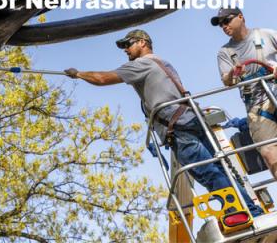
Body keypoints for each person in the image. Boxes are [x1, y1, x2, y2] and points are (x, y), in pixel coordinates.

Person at [64, 29, 263, 217]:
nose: (125, 49)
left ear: (142, 43)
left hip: (178, 128)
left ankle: (241, 213)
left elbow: (101, 78)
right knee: (221, 169)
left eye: (128, 44)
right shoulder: (163, 63)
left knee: (208, 172)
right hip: (192, 119)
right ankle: (252, 209)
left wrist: (78, 74)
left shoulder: (141, 64)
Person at [211, 7, 277, 180]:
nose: (224, 26)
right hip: (257, 107)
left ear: (241, 17)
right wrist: (234, 72)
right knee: (269, 153)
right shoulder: (225, 52)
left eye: (226, 20)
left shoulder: (266, 35)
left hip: (275, 91)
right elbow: (227, 81)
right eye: (220, 24)